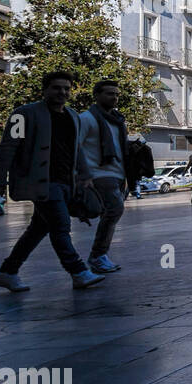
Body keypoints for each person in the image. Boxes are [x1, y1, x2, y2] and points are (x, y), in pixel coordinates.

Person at [0, 71, 105, 291]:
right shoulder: (22, 115)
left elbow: (77, 151)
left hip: (65, 182)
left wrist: (86, 176)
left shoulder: (72, 116)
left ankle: (7, 272)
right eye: (56, 87)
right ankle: (78, 271)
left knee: (38, 229)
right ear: (44, 89)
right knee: (61, 226)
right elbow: (7, 148)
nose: (62, 92)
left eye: (66, 88)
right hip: (40, 183)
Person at [76, 79, 130, 273]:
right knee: (115, 209)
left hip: (117, 174)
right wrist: (83, 174)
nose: (114, 97)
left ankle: (99, 255)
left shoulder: (118, 120)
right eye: (109, 93)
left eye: (116, 94)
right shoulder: (87, 119)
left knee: (112, 211)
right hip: (99, 173)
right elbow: (76, 147)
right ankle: (98, 256)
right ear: (97, 95)